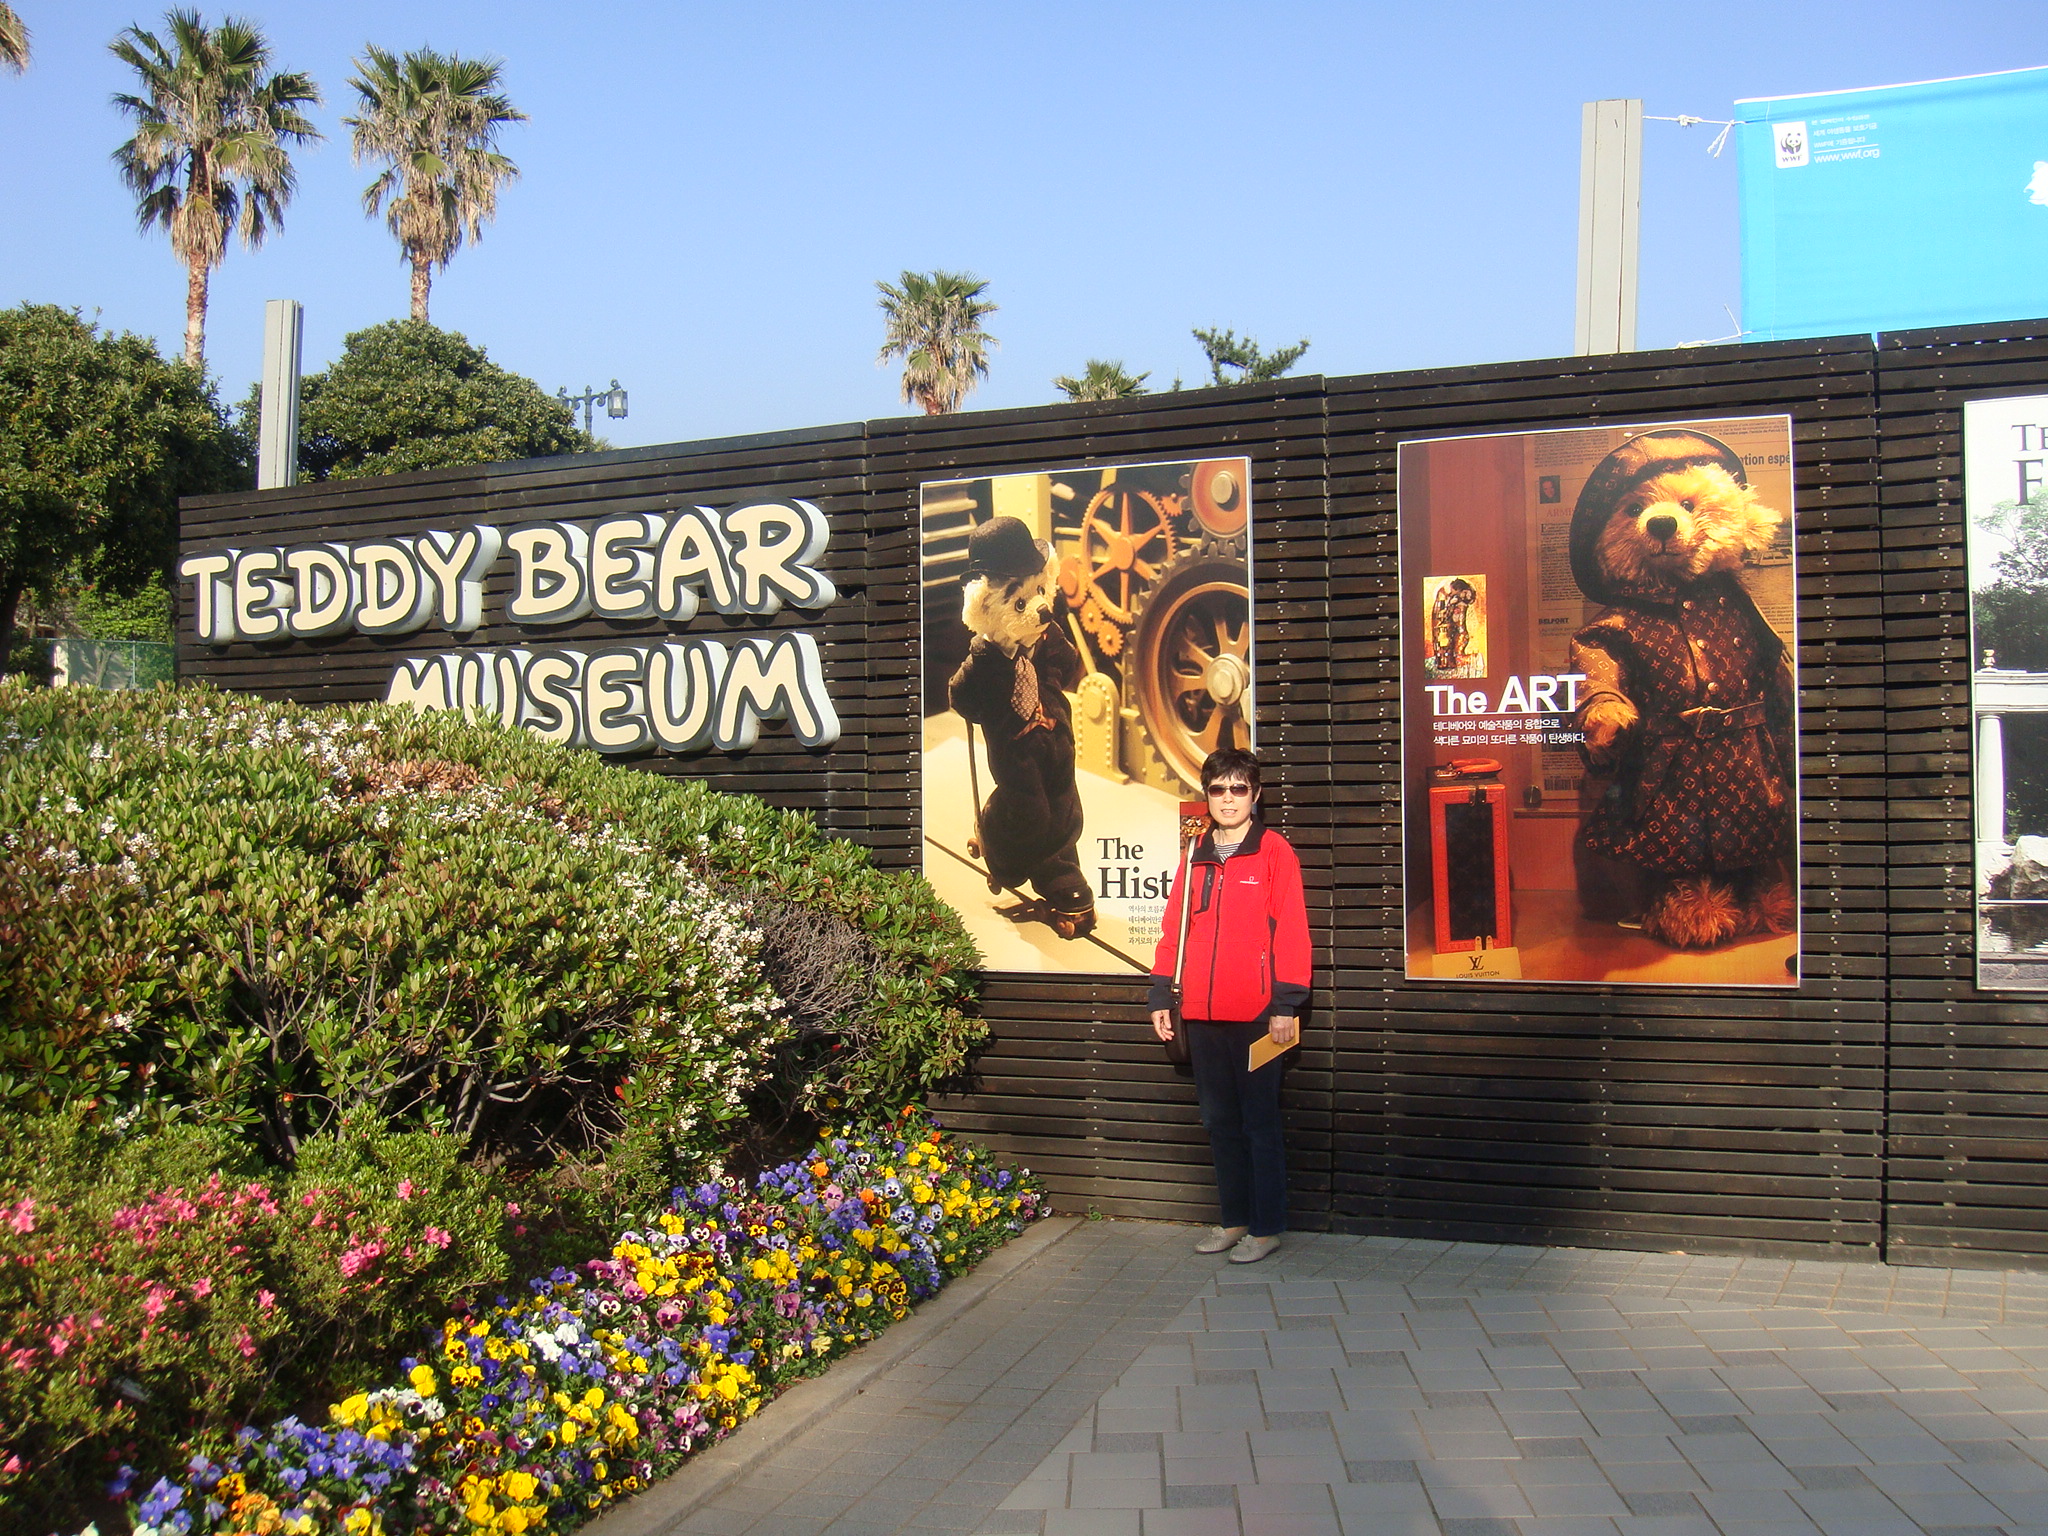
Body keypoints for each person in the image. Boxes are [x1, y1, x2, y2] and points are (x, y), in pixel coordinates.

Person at [1148, 748, 1311, 1264]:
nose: (1228, 799)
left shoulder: (1274, 852)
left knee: (1258, 1121)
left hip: (1260, 1017)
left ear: (1255, 795)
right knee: (1218, 1121)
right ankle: (1233, 1218)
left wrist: (1286, 1004)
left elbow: (1293, 933)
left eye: (1239, 789)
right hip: (1201, 1013)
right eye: (1218, 789)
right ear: (1208, 796)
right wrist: (1160, 995)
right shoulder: (1194, 853)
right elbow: (1175, 930)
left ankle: (1265, 1228)